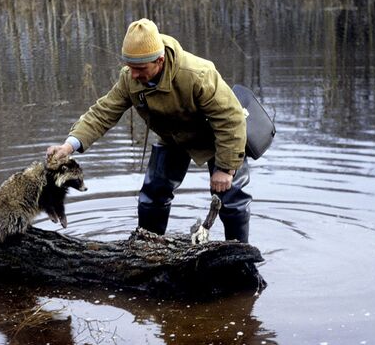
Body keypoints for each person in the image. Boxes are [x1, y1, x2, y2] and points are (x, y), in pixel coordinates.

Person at [46, 18, 251, 243]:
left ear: (159, 60)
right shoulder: (130, 78)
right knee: (152, 195)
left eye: (140, 69)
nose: (133, 75)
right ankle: (148, 251)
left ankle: (240, 254)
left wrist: (226, 168)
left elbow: (231, 119)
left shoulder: (197, 74)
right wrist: (69, 146)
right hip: (172, 138)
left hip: (217, 136)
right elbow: (102, 112)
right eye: (130, 67)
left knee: (232, 200)